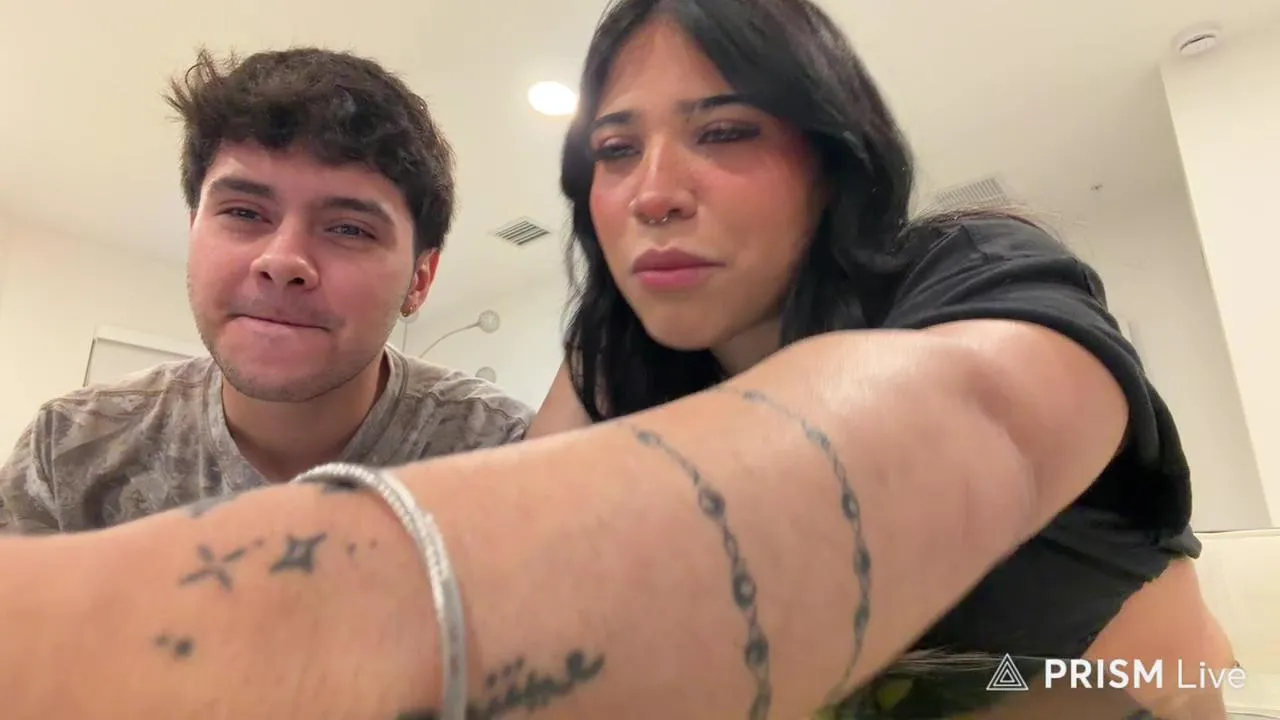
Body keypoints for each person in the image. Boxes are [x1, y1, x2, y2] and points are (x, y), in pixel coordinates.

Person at [0, 1, 1237, 719]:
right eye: (612, 148)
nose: (651, 190)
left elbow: (958, 429)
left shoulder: (974, 272)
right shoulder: (616, 357)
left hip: (1111, 686)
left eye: (724, 131)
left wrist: (163, 631)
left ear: (832, 155)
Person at [0, 48, 532, 535]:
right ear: (193, 231)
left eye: (349, 228)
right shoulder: (69, 449)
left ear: (420, 280)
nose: (282, 262)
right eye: (244, 213)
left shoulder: (507, 454)